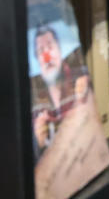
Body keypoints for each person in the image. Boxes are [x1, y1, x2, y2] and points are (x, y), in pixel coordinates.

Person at [30, 25, 91, 156]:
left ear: (59, 50)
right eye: (41, 50)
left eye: (50, 46)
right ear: (37, 60)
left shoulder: (80, 76)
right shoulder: (32, 98)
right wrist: (37, 142)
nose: (47, 57)